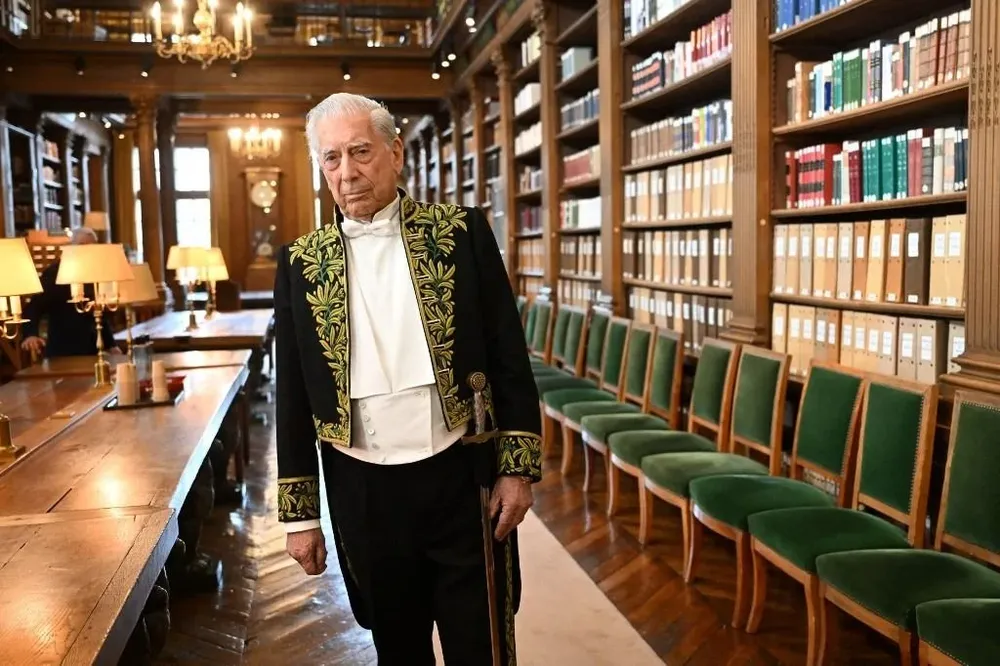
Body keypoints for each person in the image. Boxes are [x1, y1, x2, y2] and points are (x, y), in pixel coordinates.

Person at [274, 92, 542, 665]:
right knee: (397, 647)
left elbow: (509, 359)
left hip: (461, 474)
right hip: (361, 487)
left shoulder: (462, 234)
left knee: (483, 642)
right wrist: (300, 515)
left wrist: (517, 471)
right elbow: (293, 397)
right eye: (331, 159)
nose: (347, 174)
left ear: (396, 153)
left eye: (361, 152)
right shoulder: (299, 262)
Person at [20, 227, 118, 358]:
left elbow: (98, 313)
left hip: (92, 349)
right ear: (70, 246)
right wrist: (30, 335)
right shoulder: (54, 274)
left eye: (91, 247)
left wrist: (111, 344)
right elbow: (34, 307)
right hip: (63, 350)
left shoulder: (94, 272)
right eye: (82, 246)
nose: (86, 251)